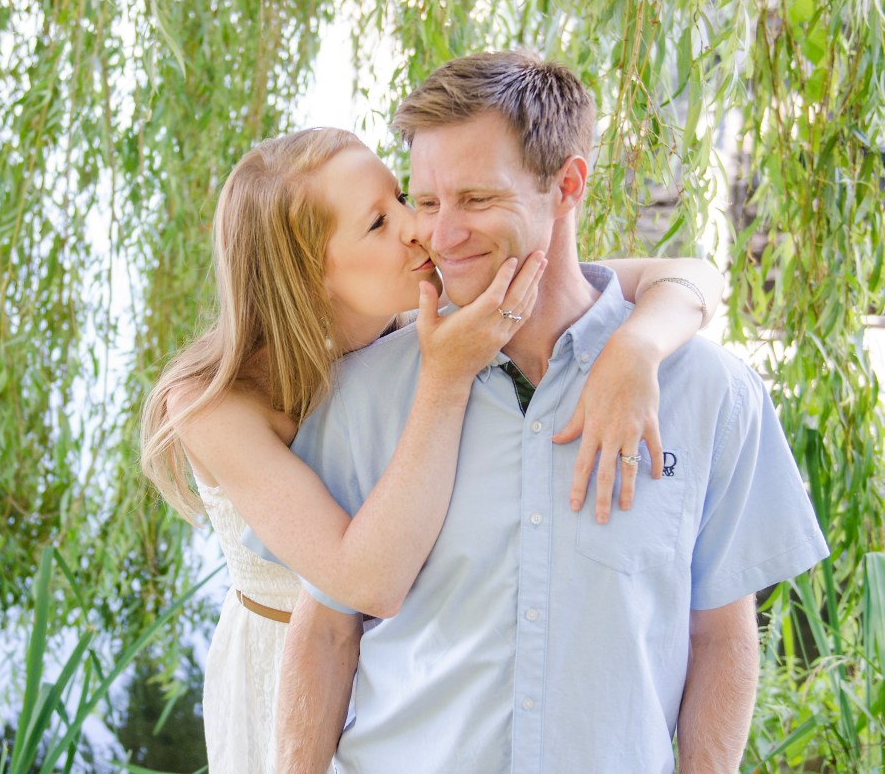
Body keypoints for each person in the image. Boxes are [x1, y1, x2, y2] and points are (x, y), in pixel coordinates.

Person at [274, 52, 830, 774]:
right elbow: (324, 635)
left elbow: (722, 637)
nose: (441, 237)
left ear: (567, 186)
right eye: (429, 202)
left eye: (476, 200)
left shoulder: (711, 395)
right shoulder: (364, 394)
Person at [141, 128, 725, 774]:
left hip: (409, 669)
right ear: (309, 274)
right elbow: (367, 582)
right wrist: (447, 376)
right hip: (288, 672)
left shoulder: (437, 303)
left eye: (399, 197)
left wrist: (636, 347)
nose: (420, 230)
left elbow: (685, 277)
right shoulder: (215, 406)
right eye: (377, 223)